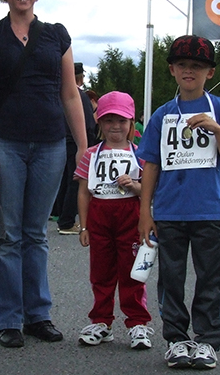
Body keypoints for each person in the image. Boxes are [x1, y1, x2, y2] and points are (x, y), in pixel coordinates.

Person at [0, 0, 87, 348]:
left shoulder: (56, 35)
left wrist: (83, 145)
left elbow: (69, 93)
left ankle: (38, 314)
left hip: (50, 144)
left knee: (36, 233)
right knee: (8, 234)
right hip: (5, 142)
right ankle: (9, 319)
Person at [137, 35, 220, 370]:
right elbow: (151, 164)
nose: (189, 71)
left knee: (210, 277)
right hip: (169, 211)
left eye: (197, 66)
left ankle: (207, 340)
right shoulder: (162, 115)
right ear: (172, 69)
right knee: (170, 278)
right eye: (182, 65)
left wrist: (218, 131)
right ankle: (176, 339)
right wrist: (144, 212)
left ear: (209, 72)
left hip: (209, 209)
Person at [75, 91, 153, 350]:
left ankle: (138, 322)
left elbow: (148, 191)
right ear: (99, 122)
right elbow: (84, 191)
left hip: (130, 215)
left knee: (133, 271)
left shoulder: (140, 154)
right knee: (101, 272)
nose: (115, 126)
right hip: (100, 215)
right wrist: (84, 226)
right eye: (109, 120)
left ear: (131, 123)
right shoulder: (91, 154)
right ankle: (101, 321)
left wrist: (135, 185)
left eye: (121, 120)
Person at [51, 62, 97, 234]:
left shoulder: (58, 95)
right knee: (76, 181)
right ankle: (67, 221)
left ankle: (59, 213)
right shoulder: (79, 97)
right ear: (80, 78)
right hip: (77, 142)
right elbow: (89, 124)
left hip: (62, 140)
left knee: (64, 180)